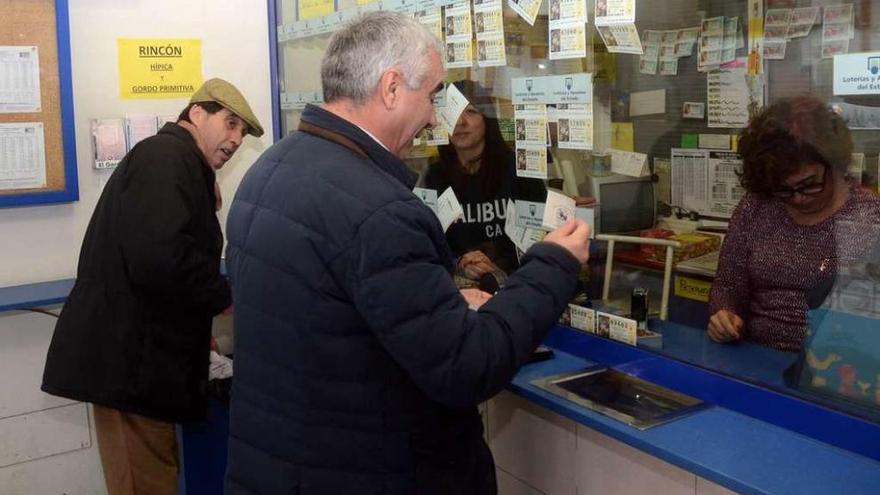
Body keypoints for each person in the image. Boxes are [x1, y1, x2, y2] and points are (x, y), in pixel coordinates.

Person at [224, 12, 590, 495]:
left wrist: (442, 305)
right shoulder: (380, 211)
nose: (436, 117)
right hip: (369, 472)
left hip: (281, 465)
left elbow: (333, 312)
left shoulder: (269, 170)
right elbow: (468, 368)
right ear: (392, 88)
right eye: (433, 95)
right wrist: (553, 264)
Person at [40, 78, 263, 495]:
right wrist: (223, 297)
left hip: (141, 363)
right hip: (129, 367)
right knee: (144, 482)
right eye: (230, 123)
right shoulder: (165, 158)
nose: (235, 139)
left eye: (242, 132)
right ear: (197, 113)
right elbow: (160, 257)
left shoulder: (179, 162)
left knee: (153, 474)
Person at [708, 96, 880, 352]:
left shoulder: (869, 216)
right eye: (783, 190)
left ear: (833, 162)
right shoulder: (756, 206)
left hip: (836, 368)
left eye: (809, 184)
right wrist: (725, 313)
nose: (798, 198)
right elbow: (729, 283)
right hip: (754, 356)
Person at [423, 80, 546, 279]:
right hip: (459, 288)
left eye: (471, 112)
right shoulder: (434, 177)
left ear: (487, 119)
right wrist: (460, 262)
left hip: (517, 281)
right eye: (453, 113)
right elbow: (428, 244)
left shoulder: (518, 170)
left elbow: (539, 236)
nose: (460, 122)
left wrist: (498, 264)